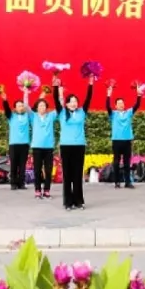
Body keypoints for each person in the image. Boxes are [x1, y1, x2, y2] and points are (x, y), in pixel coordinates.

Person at [52, 74, 94, 210]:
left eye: (75, 101)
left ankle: (79, 201)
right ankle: (68, 202)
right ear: (67, 103)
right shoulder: (62, 112)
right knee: (67, 174)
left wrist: (90, 84)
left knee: (77, 174)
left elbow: (88, 98)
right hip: (66, 146)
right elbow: (55, 99)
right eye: (71, 101)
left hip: (79, 146)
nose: (74, 103)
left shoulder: (82, 112)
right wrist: (55, 86)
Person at [107, 83, 143, 189]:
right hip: (117, 141)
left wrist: (139, 95)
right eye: (119, 103)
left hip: (127, 141)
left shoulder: (128, 113)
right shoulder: (113, 114)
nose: (121, 105)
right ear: (116, 106)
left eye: (122, 103)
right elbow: (107, 107)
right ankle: (117, 182)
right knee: (116, 162)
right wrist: (108, 95)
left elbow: (137, 105)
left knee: (127, 162)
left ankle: (128, 182)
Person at [0, 87, 33, 192]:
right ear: (15, 108)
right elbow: (7, 109)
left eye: (22, 105)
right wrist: (5, 100)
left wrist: (26, 93)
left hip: (24, 144)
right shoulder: (11, 116)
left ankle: (21, 183)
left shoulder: (27, 116)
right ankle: (13, 183)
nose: (21, 107)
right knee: (14, 164)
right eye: (18, 106)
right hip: (13, 144)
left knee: (22, 165)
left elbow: (29, 107)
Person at [29, 97, 56, 199]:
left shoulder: (51, 116)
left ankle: (47, 190)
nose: (42, 107)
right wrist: (26, 93)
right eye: (40, 105)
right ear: (37, 108)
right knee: (37, 170)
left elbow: (60, 107)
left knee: (48, 170)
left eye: (44, 105)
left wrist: (61, 95)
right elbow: (26, 106)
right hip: (37, 147)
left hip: (48, 147)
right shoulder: (33, 116)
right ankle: (37, 190)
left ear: (46, 107)